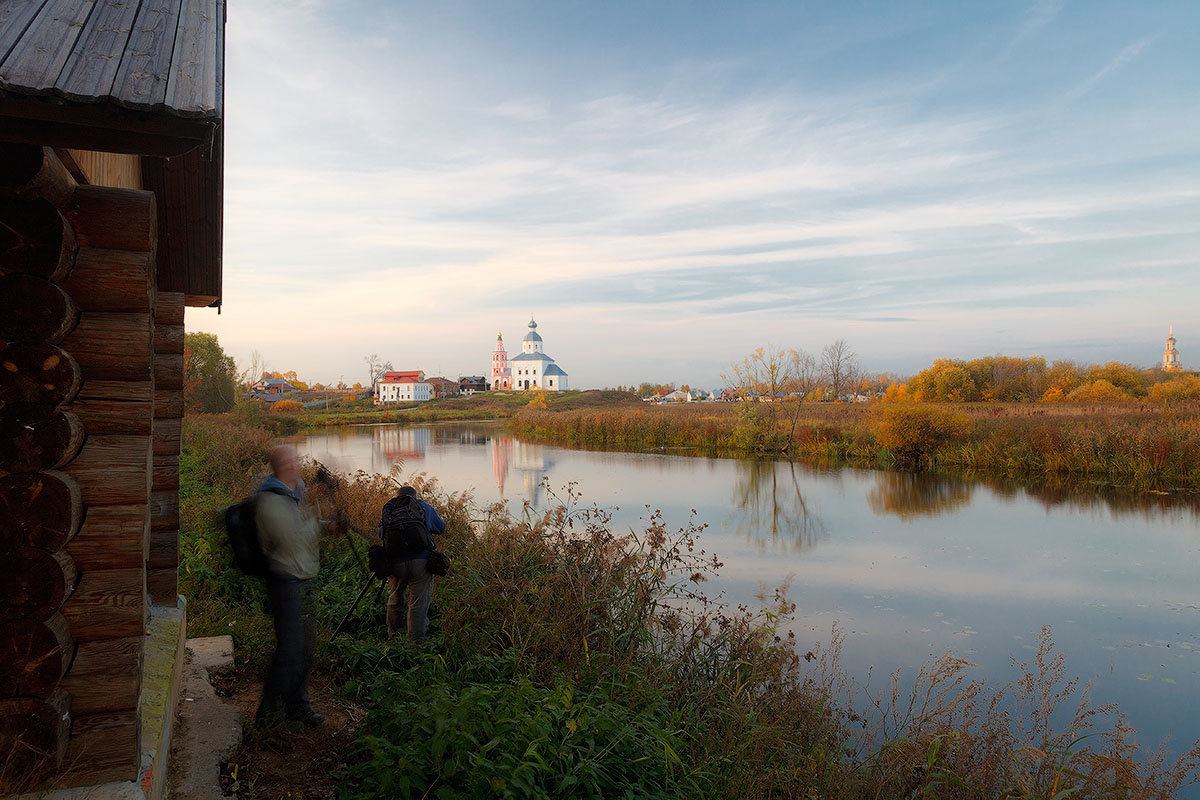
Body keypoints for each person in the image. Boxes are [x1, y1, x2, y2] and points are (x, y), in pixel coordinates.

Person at [254, 444, 325, 730]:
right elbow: (292, 540)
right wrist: (318, 519)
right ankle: (268, 718)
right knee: (289, 651)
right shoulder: (270, 501)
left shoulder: (295, 494)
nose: (298, 464)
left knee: (306, 648)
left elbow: (303, 531)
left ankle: (299, 707)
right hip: (284, 582)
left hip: (303, 579)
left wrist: (326, 522)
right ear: (282, 465)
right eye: (293, 460)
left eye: (298, 459)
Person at [378, 485, 446, 641]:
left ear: (397, 497)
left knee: (395, 598)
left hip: (395, 563)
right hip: (420, 561)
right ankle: (415, 644)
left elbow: (380, 533)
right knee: (417, 605)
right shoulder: (424, 507)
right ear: (416, 497)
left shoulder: (390, 509)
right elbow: (441, 528)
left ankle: (393, 637)